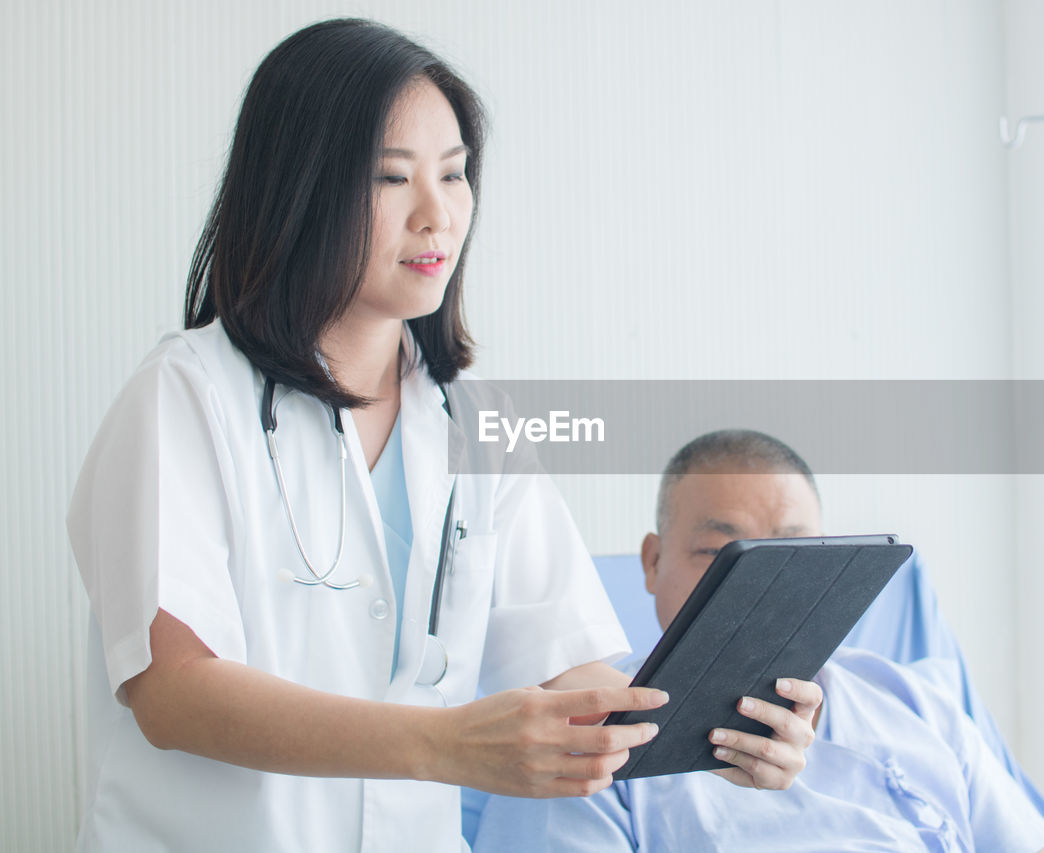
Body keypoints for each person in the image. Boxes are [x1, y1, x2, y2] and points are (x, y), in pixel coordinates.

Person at [65, 22, 820, 852]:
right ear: (299, 190)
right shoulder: (185, 397)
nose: (439, 214)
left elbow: (567, 669)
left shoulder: (474, 423)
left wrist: (720, 723)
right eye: (393, 178)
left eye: (455, 174)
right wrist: (443, 742)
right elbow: (172, 693)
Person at [473, 430, 1044, 853]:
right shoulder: (579, 738)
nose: (757, 585)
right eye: (718, 554)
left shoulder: (914, 701)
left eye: (794, 552)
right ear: (652, 562)